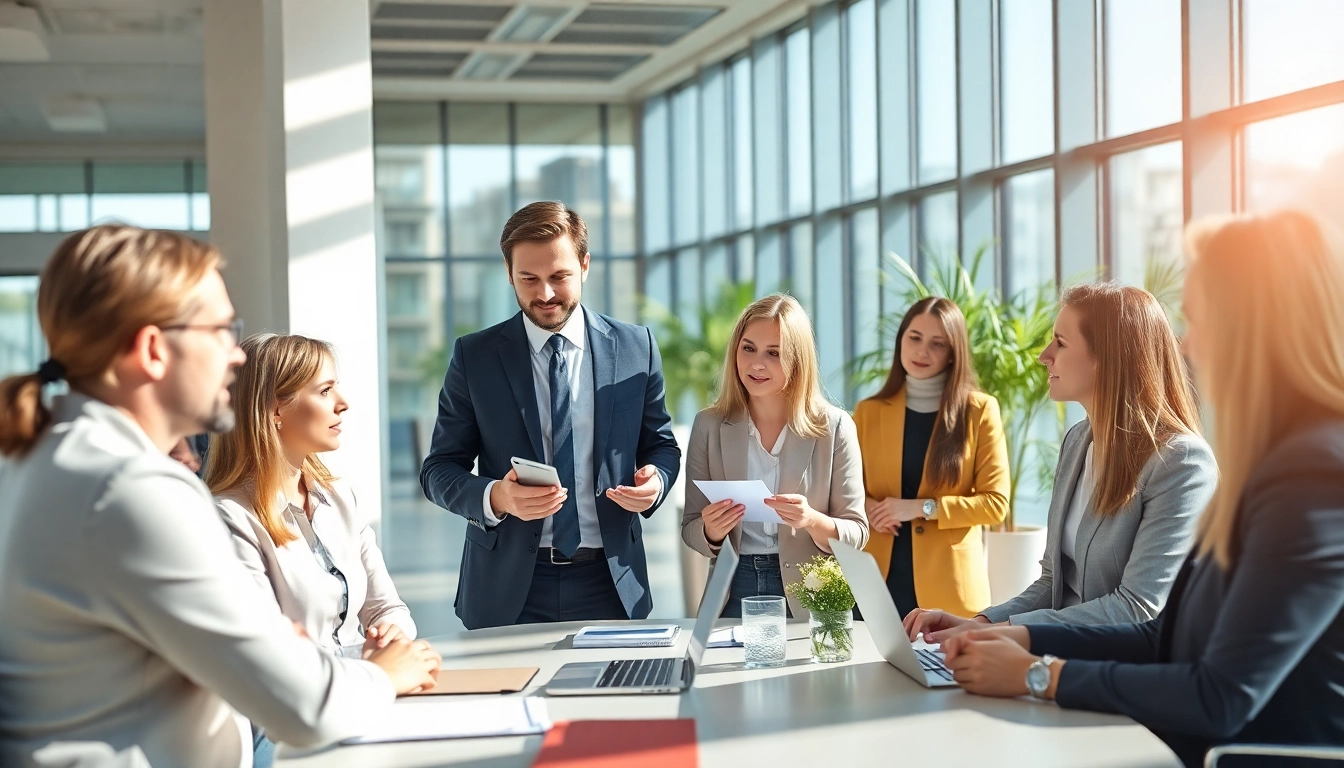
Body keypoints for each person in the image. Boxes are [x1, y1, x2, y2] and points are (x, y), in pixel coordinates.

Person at [0, 225, 439, 768]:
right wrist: (382, 675)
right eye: (221, 330)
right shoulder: (133, 490)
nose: (236, 357)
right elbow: (304, 705)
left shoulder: (44, 458)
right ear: (153, 349)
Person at [937, 210, 1344, 767]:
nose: (1187, 345)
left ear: (1253, 326)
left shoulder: (1313, 474)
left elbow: (1218, 695)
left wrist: (1040, 675)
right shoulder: (1273, 460)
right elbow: (1165, 639)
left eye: (1199, 320)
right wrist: (1020, 638)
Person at [905, 282, 1217, 642]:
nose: (1044, 355)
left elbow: (1137, 608)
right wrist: (980, 624)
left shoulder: (1182, 463)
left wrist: (1007, 635)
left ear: (1109, 357)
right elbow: (1053, 583)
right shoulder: (1077, 442)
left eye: (1061, 342)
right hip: (1054, 656)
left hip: (1112, 674)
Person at [420, 201, 681, 629]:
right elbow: (438, 470)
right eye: (529, 278)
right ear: (509, 274)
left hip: (612, 581)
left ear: (584, 264)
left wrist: (655, 481)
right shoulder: (475, 357)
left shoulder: (636, 348)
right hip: (507, 587)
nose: (544, 294)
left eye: (559, 276)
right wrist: (495, 497)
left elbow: (661, 445)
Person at [207, 333, 416, 659]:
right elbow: (264, 654)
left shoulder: (339, 497)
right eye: (325, 390)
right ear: (276, 408)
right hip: (304, 702)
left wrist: (391, 635)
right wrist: (374, 673)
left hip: (369, 685)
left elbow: (387, 607)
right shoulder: (230, 518)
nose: (342, 403)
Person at [681, 294, 868, 619]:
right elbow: (690, 530)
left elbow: (857, 533)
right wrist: (711, 531)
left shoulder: (835, 427)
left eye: (774, 353)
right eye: (748, 348)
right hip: (732, 589)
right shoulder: (709, 425)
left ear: (797, 360)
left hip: (812, 590)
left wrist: (812, 520)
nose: (756, 364)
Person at [854, 297, 1009, 619]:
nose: (922, 351)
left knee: (945, 671)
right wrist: (870, 507)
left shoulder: (979, 411)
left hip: (948, 587)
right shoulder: (869, 412)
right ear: (901, 341)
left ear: (954, 352)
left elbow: (995, 504)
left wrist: (921, 508)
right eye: (914, 338)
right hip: (876, 579)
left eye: (937, 344)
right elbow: (845, 490)